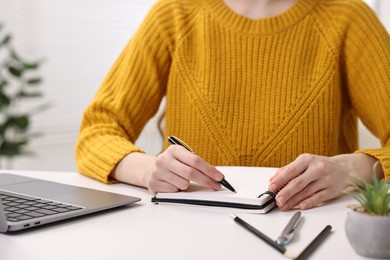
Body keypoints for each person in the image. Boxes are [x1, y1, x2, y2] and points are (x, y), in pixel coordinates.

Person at [75, 0, 390, 211]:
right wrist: (148, 170)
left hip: (307, 233)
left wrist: (352, 169)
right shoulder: (174, 14)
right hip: (185, 234)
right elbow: (96, 133)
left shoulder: (348, 18)